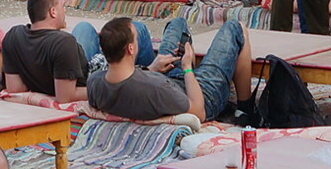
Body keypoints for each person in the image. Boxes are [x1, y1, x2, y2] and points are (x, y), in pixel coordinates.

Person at [85, 13, 253, 124]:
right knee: (235, 27)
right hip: (202, 94)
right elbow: (198, 112)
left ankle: (184, 61)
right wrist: (187, 68)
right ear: (130, 49)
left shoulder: (94, 82)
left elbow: (129, 83)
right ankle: (245, 110)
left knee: (177, 23)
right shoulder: (154, 88)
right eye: (136, 39)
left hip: (168, 80)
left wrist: (152, 69)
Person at [1, 0, 87, 105]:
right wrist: (99, 91)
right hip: (80, 74)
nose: (65, 10)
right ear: (53, 12)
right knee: (85, 28)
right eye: (62, 6)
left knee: (83, 29)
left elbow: (15, 89)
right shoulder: (64, 43)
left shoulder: (13, 36)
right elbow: (65, 97)